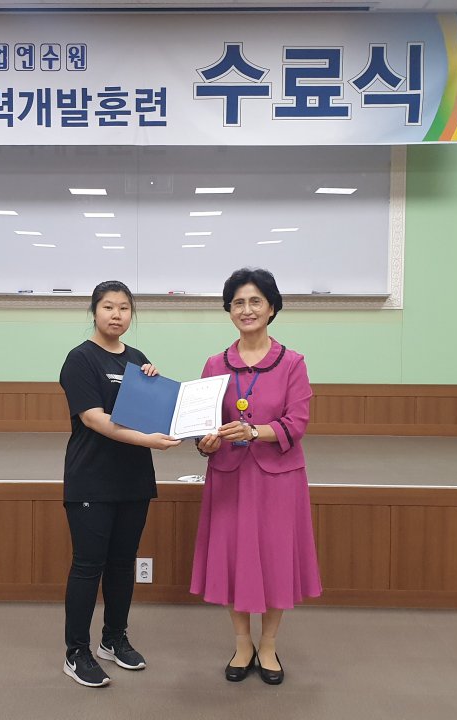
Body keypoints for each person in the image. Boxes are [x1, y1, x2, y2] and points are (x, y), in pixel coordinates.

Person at [191, 267, 322, 685]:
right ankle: (242, 643)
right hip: (229, 476)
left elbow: (296, 423)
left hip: (278, 478)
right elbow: (204, 426)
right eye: (238, 303)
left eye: (255, 302)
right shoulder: (215, 364)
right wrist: (205, 442)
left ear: (271, 308)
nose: (246, 310)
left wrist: (253, 431)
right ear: (229, 310)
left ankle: (268, 645)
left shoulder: (293, 363)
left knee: (275, 558)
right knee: (234, 559)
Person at [58, 280, 181, 688]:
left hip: (133, 478)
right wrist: (148, 440)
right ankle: (77, 652)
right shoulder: (80, 359)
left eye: (124, 308)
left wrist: (154, 386)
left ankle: (113, 639)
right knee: (87, 566)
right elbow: (93, 418)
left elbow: (149, 412)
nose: (116, 314)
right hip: (91, 479)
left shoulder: (137, 359)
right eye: (108, 306)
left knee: (123, 563)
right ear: (94, 311)